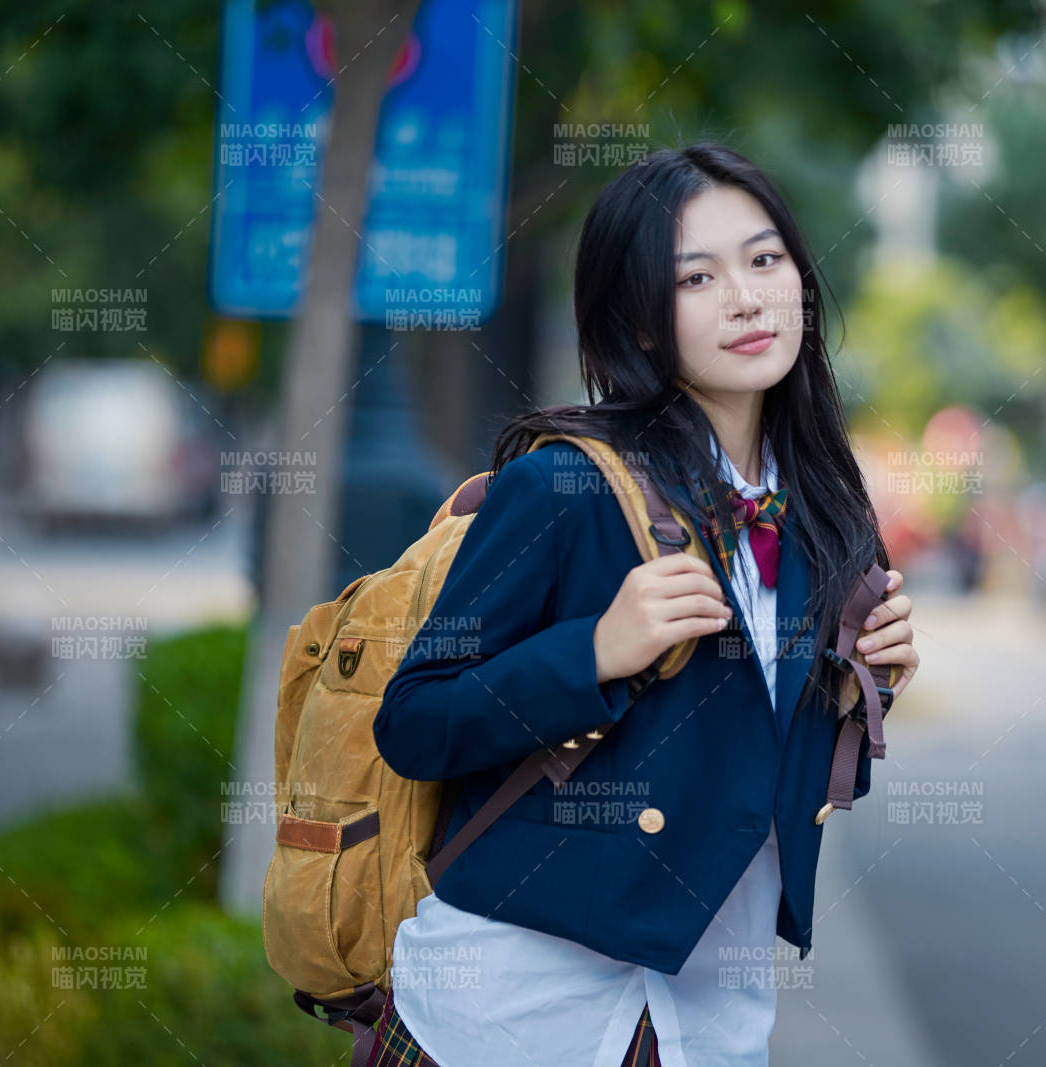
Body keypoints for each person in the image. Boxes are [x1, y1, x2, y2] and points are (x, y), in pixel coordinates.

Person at [367, 142, 920, 1067]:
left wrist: (864, 694)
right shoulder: (566, 488)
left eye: (764, 259)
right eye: (696, 277)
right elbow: (414, 724)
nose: (745, 298)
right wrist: (593, 653)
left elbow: (763, 794)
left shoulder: (830, 519)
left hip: (709, 1025)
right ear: (642, 321)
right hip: (510, 1019)